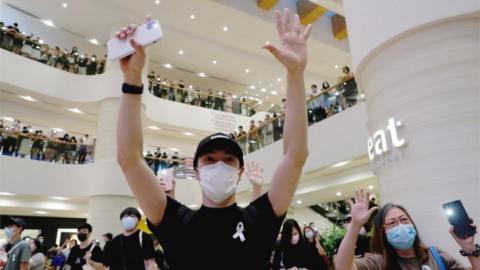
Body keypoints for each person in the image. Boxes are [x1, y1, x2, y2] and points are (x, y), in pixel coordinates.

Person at [115, 9, 311, 269]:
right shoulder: (175, 220)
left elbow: (295, 155)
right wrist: (131, 80)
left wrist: (295, 74)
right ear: (196, 171)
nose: (219, 164)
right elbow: (129, 159)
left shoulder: (259, 217)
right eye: (209, 159)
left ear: (240, 172)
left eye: (228, 159)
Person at [334, 189, 480, 270]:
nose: (401, 226)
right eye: (392, 223)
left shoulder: (436, 256)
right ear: (383, 233)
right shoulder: (377, 263)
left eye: (404, 220)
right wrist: (355, 226)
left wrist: (469, 248)